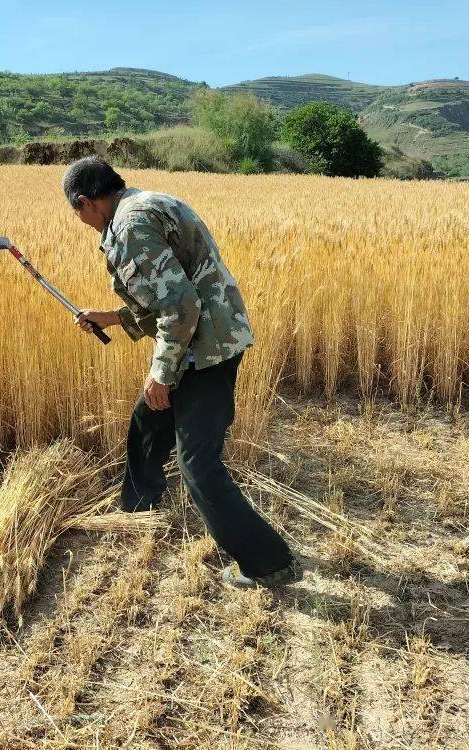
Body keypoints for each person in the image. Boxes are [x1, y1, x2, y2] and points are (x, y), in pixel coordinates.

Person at [62, 156, 303, 590]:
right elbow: (169, 296)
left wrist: (161, 372)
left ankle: (268, 563)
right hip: (206, 337)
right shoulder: (142, 203)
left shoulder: (130, 226)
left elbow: (180, 307)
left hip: (207, 349)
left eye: (76, 213)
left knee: (199, 467)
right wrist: (113, 318)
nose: (80, 221)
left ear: (84, 202)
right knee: (148, 420)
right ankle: (139, 509)